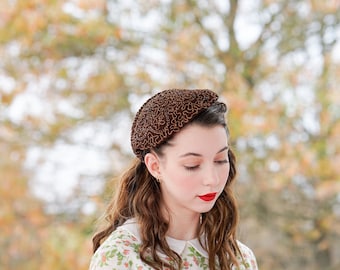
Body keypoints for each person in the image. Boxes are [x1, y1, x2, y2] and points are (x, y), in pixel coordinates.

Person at [89, 89, 258, 270]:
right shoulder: (120, 258)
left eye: (220, 160)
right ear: (155, 166)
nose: (212, 179)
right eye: (192, 165)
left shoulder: (238, 259)